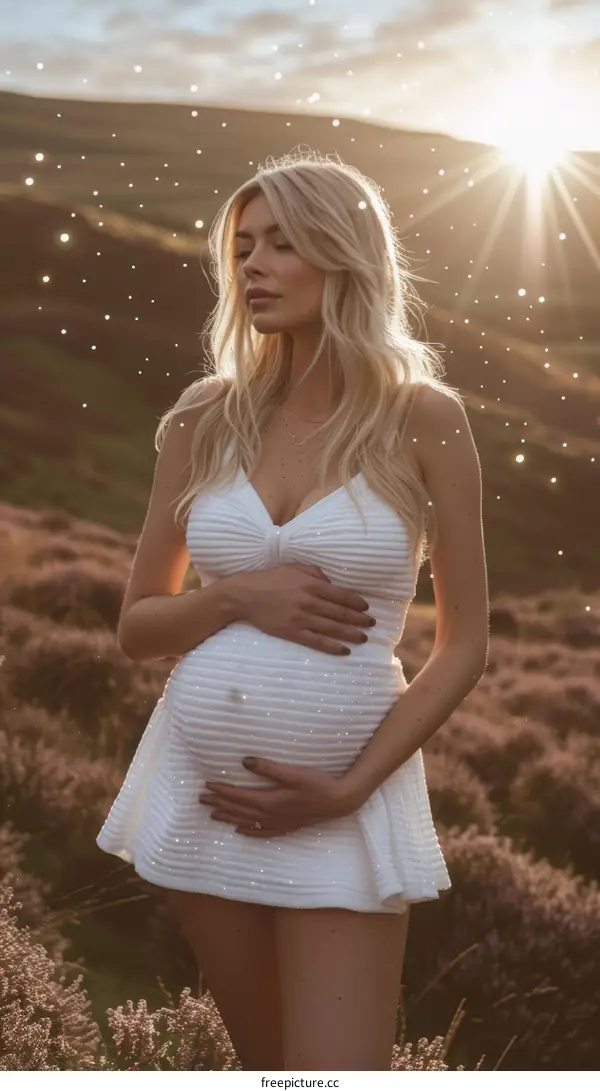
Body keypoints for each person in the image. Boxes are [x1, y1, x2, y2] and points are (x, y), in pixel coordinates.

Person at [96, 149, 489, 1072]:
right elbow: (137, 626)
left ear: (344, 254)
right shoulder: (204, 416)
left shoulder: (422, 418)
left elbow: (465, 644)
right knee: (274, 1066)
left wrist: (350, 788)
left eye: (281, 244)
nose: (253, 267)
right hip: (204, 795)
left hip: (344, 806)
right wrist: (235, 593)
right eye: (241, 248)